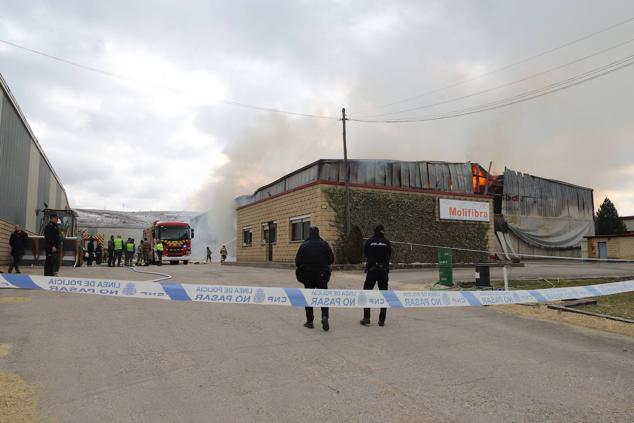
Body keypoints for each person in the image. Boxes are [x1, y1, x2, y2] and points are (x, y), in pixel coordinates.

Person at [295, 226, 334, 331]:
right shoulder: (324, 244)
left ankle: (310, 321)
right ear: (318, 233)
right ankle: (325, 316)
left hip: (308, 275)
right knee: (323, 297)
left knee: (308, 298)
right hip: (322, 274)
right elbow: (331, 259)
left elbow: (297, 262)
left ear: (309, 233)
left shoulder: (304, 245)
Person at [360, 224, 392, 327]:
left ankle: (366, 318)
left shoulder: (370, 241)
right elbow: (389, 255)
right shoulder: (387, 242)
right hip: (383, 271)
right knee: (384, 295)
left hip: (372, 270)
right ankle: (382, 320)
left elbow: (365, 254)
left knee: (367, 293)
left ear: (374, 231)